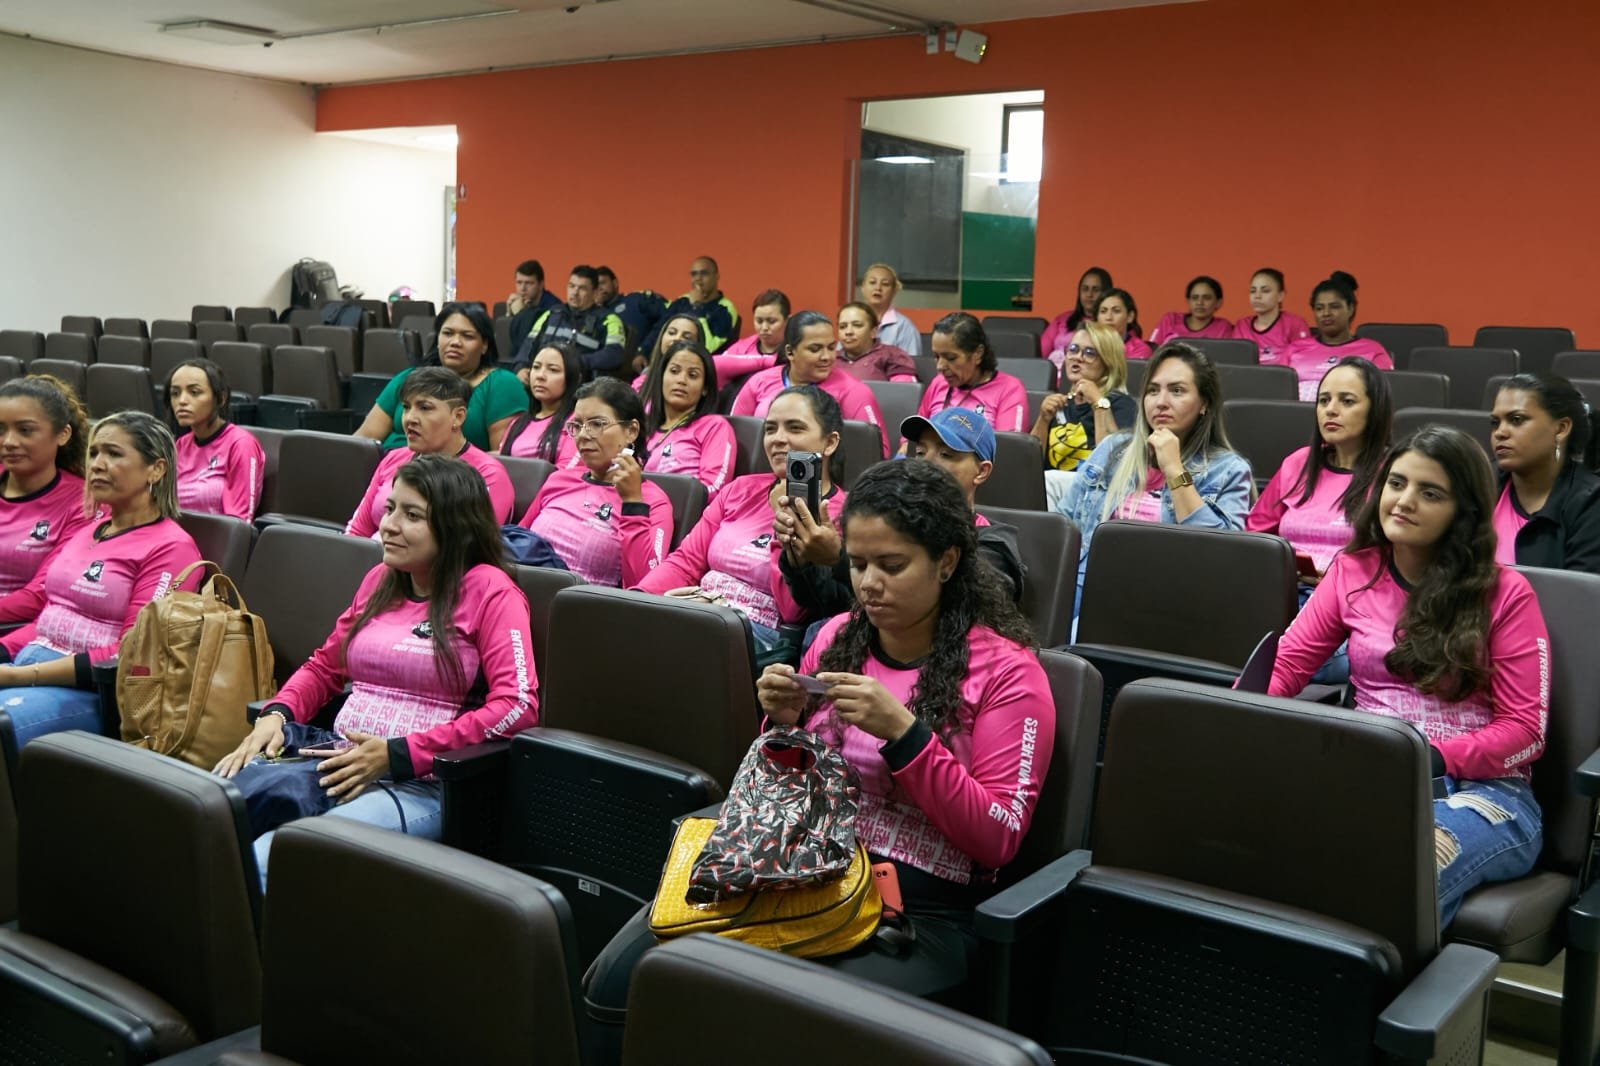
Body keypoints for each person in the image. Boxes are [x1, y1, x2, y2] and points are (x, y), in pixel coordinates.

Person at [586, 460, 1052, 1056]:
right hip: (799, 867)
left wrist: (906, 736)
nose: (869, 584)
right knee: (624, 977)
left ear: (947, 562)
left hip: (917, 909)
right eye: (857, 564)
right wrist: (783, 724)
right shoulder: (836, 638)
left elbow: (997, 838)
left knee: (749, 1015)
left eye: (892, 566)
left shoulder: (1010, 673)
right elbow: (784, 785)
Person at [214, 454, 539, 888]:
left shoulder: (492, 592)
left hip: (425, 785)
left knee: (268, 859)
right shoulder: (380, 580)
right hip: (336, 761)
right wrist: (277, 713)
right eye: (389, 509)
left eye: (412, 515)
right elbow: (325, 667)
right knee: (210, 816)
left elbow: (517, 706)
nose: (389, 525)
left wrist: (398, 754)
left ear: (456, 526)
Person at [1268, 426, 1548, 926]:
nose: (1404, 501)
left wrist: (1426, 756)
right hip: (1368, 777)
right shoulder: (1353, 571)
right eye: (1396, 483)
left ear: (1463, 512)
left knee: (1396, 871)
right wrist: (1236, 719)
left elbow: (1525, 731)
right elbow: (1287, 666)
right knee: (1260, 844)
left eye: (1430, 493)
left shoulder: (1506, 593)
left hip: (1484, 793)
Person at [0, 411, 202, 749]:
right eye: (94, 453)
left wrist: (18, 676)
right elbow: (50, 618)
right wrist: (5, 650)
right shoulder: (89, 528)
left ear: (156, 469)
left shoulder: (172, 548)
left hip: (96, 694)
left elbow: (133, 653)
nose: (96, 464)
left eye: (113, 453)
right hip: (28, 667)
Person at [635, 385, 846, 651]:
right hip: (698, 614)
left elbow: (793, 611)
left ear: (830, 442)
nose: (778, 439)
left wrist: (784, 522)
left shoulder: (840, 514)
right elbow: (686, 562)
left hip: (758, 638)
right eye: (770, 429)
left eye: (795, 428)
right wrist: (637, 601)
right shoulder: (740, 489)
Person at [1057, 342, 1253, 620]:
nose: (1161, 402)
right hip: (1087, 590)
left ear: (1204, 404)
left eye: (1177, 390)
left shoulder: (1228, 470)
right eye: (1152, 390)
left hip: (1170, 604)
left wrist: (1174, 469)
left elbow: (1219, 558)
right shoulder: (1112, 450)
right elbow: (1064, 526)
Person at [782, 408, 1025, 620]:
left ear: (981, 472)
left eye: (945, 454)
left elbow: (965, 605)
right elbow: (832, 603)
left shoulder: (993, 542)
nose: (925, 463)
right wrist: (802, 557)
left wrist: (839, 557)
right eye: (920, 452)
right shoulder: (889, 528)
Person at [516, 378, 673, 586]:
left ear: (631, 431)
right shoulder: (559, 479)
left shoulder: (653, 501)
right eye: (577, 425)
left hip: (588, 604)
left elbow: (645, 587)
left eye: (597, 424)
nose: (583, 435)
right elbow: (518, 542)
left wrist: (633, 503)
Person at [1249, 357, 1394, 579]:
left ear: (1375, 409)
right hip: (1285, 588)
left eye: (1347, 401)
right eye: (1324, 400)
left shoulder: (1394, 473)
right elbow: (1255, 536)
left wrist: (1333, 580)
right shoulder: (1298, 462)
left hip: (1354, 593)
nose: (1330, 410)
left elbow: (1402, 558)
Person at [346, 368, 515, 537]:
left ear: (458, 417)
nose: (409, 418)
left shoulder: (487, 474)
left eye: (425, 408)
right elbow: (356, 532)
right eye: (406, 407)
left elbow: (473, 545)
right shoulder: (394, 458)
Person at [357, 303, 526, 453]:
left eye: (467, 336)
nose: (455, 342)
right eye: (448, 333)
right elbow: (363, 439)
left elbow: (503, 455)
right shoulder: (408, 378)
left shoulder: (501, 384)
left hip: (451, 473)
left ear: (484, 345)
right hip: (386, 466)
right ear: (437, 339)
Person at [731, 311, 890, 457]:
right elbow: (734, 437)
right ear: (790, 352)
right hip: (763, 472)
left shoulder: (854, 391)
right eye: (815, 349)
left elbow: (877, 452)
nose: (826, 357)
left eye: (831, 348)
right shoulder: (758, 382)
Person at [0, 375, 94, 622]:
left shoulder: (84, 503)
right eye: (0, 430)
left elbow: (41, 595)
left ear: (62, 435)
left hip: (18, 628)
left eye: (25, 430)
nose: (8, 442)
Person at [1490, 374, 1600, 573]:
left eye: (1516, 420)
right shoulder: (1481, 484)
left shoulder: (1591, 502)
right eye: (1495, 422)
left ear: (1561, 429)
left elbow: (1580, 589)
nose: (1500, 432)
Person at [1033, 323, 1137, 509]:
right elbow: (1029, 464)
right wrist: (1043, 419)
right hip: (1053, 491)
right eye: (1073, 350)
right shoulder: (1060, 403)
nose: (1077, 358)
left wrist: (1099, 403)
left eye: (1089, 353)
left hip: (1096, 492)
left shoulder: (1121, 404)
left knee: (1048, 481)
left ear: (1107, 361)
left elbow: (1111, 465)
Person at [167, 357, 266, 522]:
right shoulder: (181, 445)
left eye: (194, 392)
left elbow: (239, 523)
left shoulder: (241, 444)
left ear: (220, 398)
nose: (182, 401)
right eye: (175, 393)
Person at [1274, 271, 1392, 401]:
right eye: (1319, 308)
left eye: (1334, 307)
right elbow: (1276, 390)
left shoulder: (1373, 351)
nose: (1326, 313)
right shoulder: (1294, 348)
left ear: (1350, 308)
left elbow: (1382, 398)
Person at [640, 339, 736, 495]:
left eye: (692, 375)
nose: (681, 380)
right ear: (662, 376)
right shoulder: (643, 428)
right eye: (674, 371)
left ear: (705, 388)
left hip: (683, 509)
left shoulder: (714, 426)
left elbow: (714, 488)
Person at [916, 313, 1028, 436]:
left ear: (978, 353)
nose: (940, 366)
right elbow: (912, 437)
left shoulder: (1009, 389)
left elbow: (1010, 445)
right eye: (936, 356)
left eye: (951, 358)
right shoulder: (938, 383)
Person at [511, 265, 627, 380]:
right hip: (542, 376)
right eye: (572, 286)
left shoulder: (609, 319)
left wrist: (576, 363)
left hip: (580, 381)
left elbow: (614, 354)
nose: (575, 292)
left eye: (582, 288)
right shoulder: (551, 313)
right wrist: (521, 367)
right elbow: (529, 344)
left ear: (595, 292)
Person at [499, 343, 582, 466]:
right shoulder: (517, 423)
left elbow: (568, 471)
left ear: (573, 378)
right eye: (536, 367)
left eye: (553, 370)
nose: (540, 376)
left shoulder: (577, 422)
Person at [647, 256, 740, 355]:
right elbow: (659, 329)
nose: (698, 278)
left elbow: (709, 348)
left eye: (704, 273)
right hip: (671, 357)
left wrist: (697, 306)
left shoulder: (726, 308)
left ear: (717, 276)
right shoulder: (682, 300)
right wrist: (643, 352)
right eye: (694, 274)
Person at [1232, 267, 1310, 364]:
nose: (1257, 296)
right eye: (1253, 291)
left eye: (1265, 291)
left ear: (1280, 296)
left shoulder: (1295, 323)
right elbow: (1235, 362)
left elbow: (1303, 363)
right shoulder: (1242, 325)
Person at [712, 289, 789, 386]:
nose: (764, 327)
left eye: (771, 321)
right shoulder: (741, 348)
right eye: (759, 321)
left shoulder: (794, 351)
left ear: (787, 321)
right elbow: (715, 366)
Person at [835, 301, 917, 383]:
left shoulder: (892, 356)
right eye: (842, 327)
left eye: (857, 325)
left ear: (873, 332)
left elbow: (904, 389)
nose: (848, 332)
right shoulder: (832, 359)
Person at [1040, 266, 1113, 357]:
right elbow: (1039, 354)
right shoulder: (1062, 319)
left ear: (1106, 293)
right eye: (1085, 289)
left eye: (1096, 290)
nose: (1089, 294)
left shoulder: (1111, 322)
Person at [1147, 276, 1232, 345]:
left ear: (1218, 302)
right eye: (1195, 298)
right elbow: (1151, 349)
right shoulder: (1170, 320)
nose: (1199, 302)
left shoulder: (1223, 327)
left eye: (1206, 298)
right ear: (1188, 301)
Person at [859, 262, 921, 356]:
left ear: (894, 291)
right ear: (863, 288)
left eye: (885, 284)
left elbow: (911, 362)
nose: (878, 288)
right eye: (872, 282)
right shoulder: (852, 321)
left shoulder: (904, 327)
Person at [630, 313, 704, 390]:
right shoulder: (641, 383)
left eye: (687, 337)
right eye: (671, 333)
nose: (677, 338)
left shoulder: (699, 385)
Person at [504, 258, 562, 351]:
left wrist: (521, 313)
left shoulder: (553, 307)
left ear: (541, 285)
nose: (523, 288)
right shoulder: (518, 303)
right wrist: (508, 314)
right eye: (519, 282)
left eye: (529, 283)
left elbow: (529, 345)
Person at [1094, 288, 1152, 361]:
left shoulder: (1140, 349)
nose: (1108, 317)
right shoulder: (1087, 344)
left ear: (1130, 317)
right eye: (1103, 311)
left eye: (1116, 311)